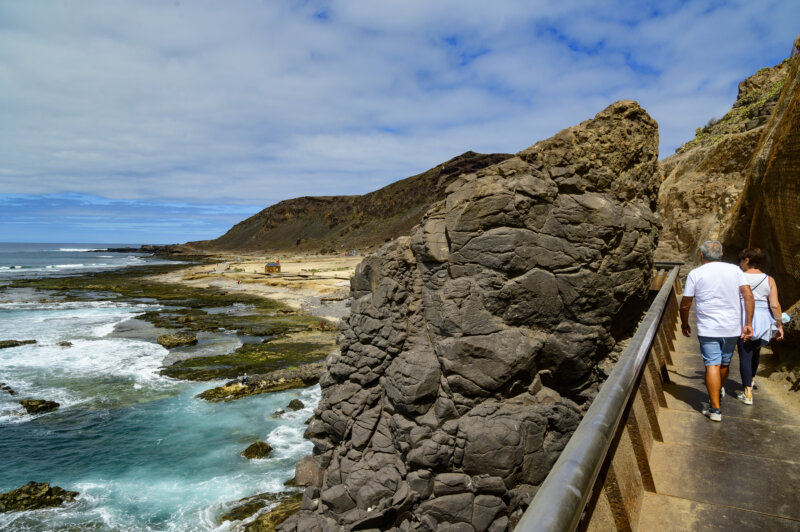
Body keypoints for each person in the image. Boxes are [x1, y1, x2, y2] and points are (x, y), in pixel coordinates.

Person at [680, 240, 754, 422]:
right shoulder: (736, 270)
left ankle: (715, 409)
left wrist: (684, 323)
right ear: (721, 254)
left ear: (702, 256)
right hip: (732, 327)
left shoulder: (696, 273)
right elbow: (748, 295)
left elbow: (686, 303)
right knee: (724, 363)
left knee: (712, 364)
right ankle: (718, 389)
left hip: (708, 328)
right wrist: (748, 323)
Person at [736, 248, 785, 405]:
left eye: (741, 260)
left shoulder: (739, 276)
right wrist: (779, 325)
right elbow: (775, 305)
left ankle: (747, 392)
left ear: (747, 260)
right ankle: (751, 379)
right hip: (763, 319)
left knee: (745, 354)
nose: (740, 264)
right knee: (756, 351)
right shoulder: (769, 280)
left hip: (743, 317)